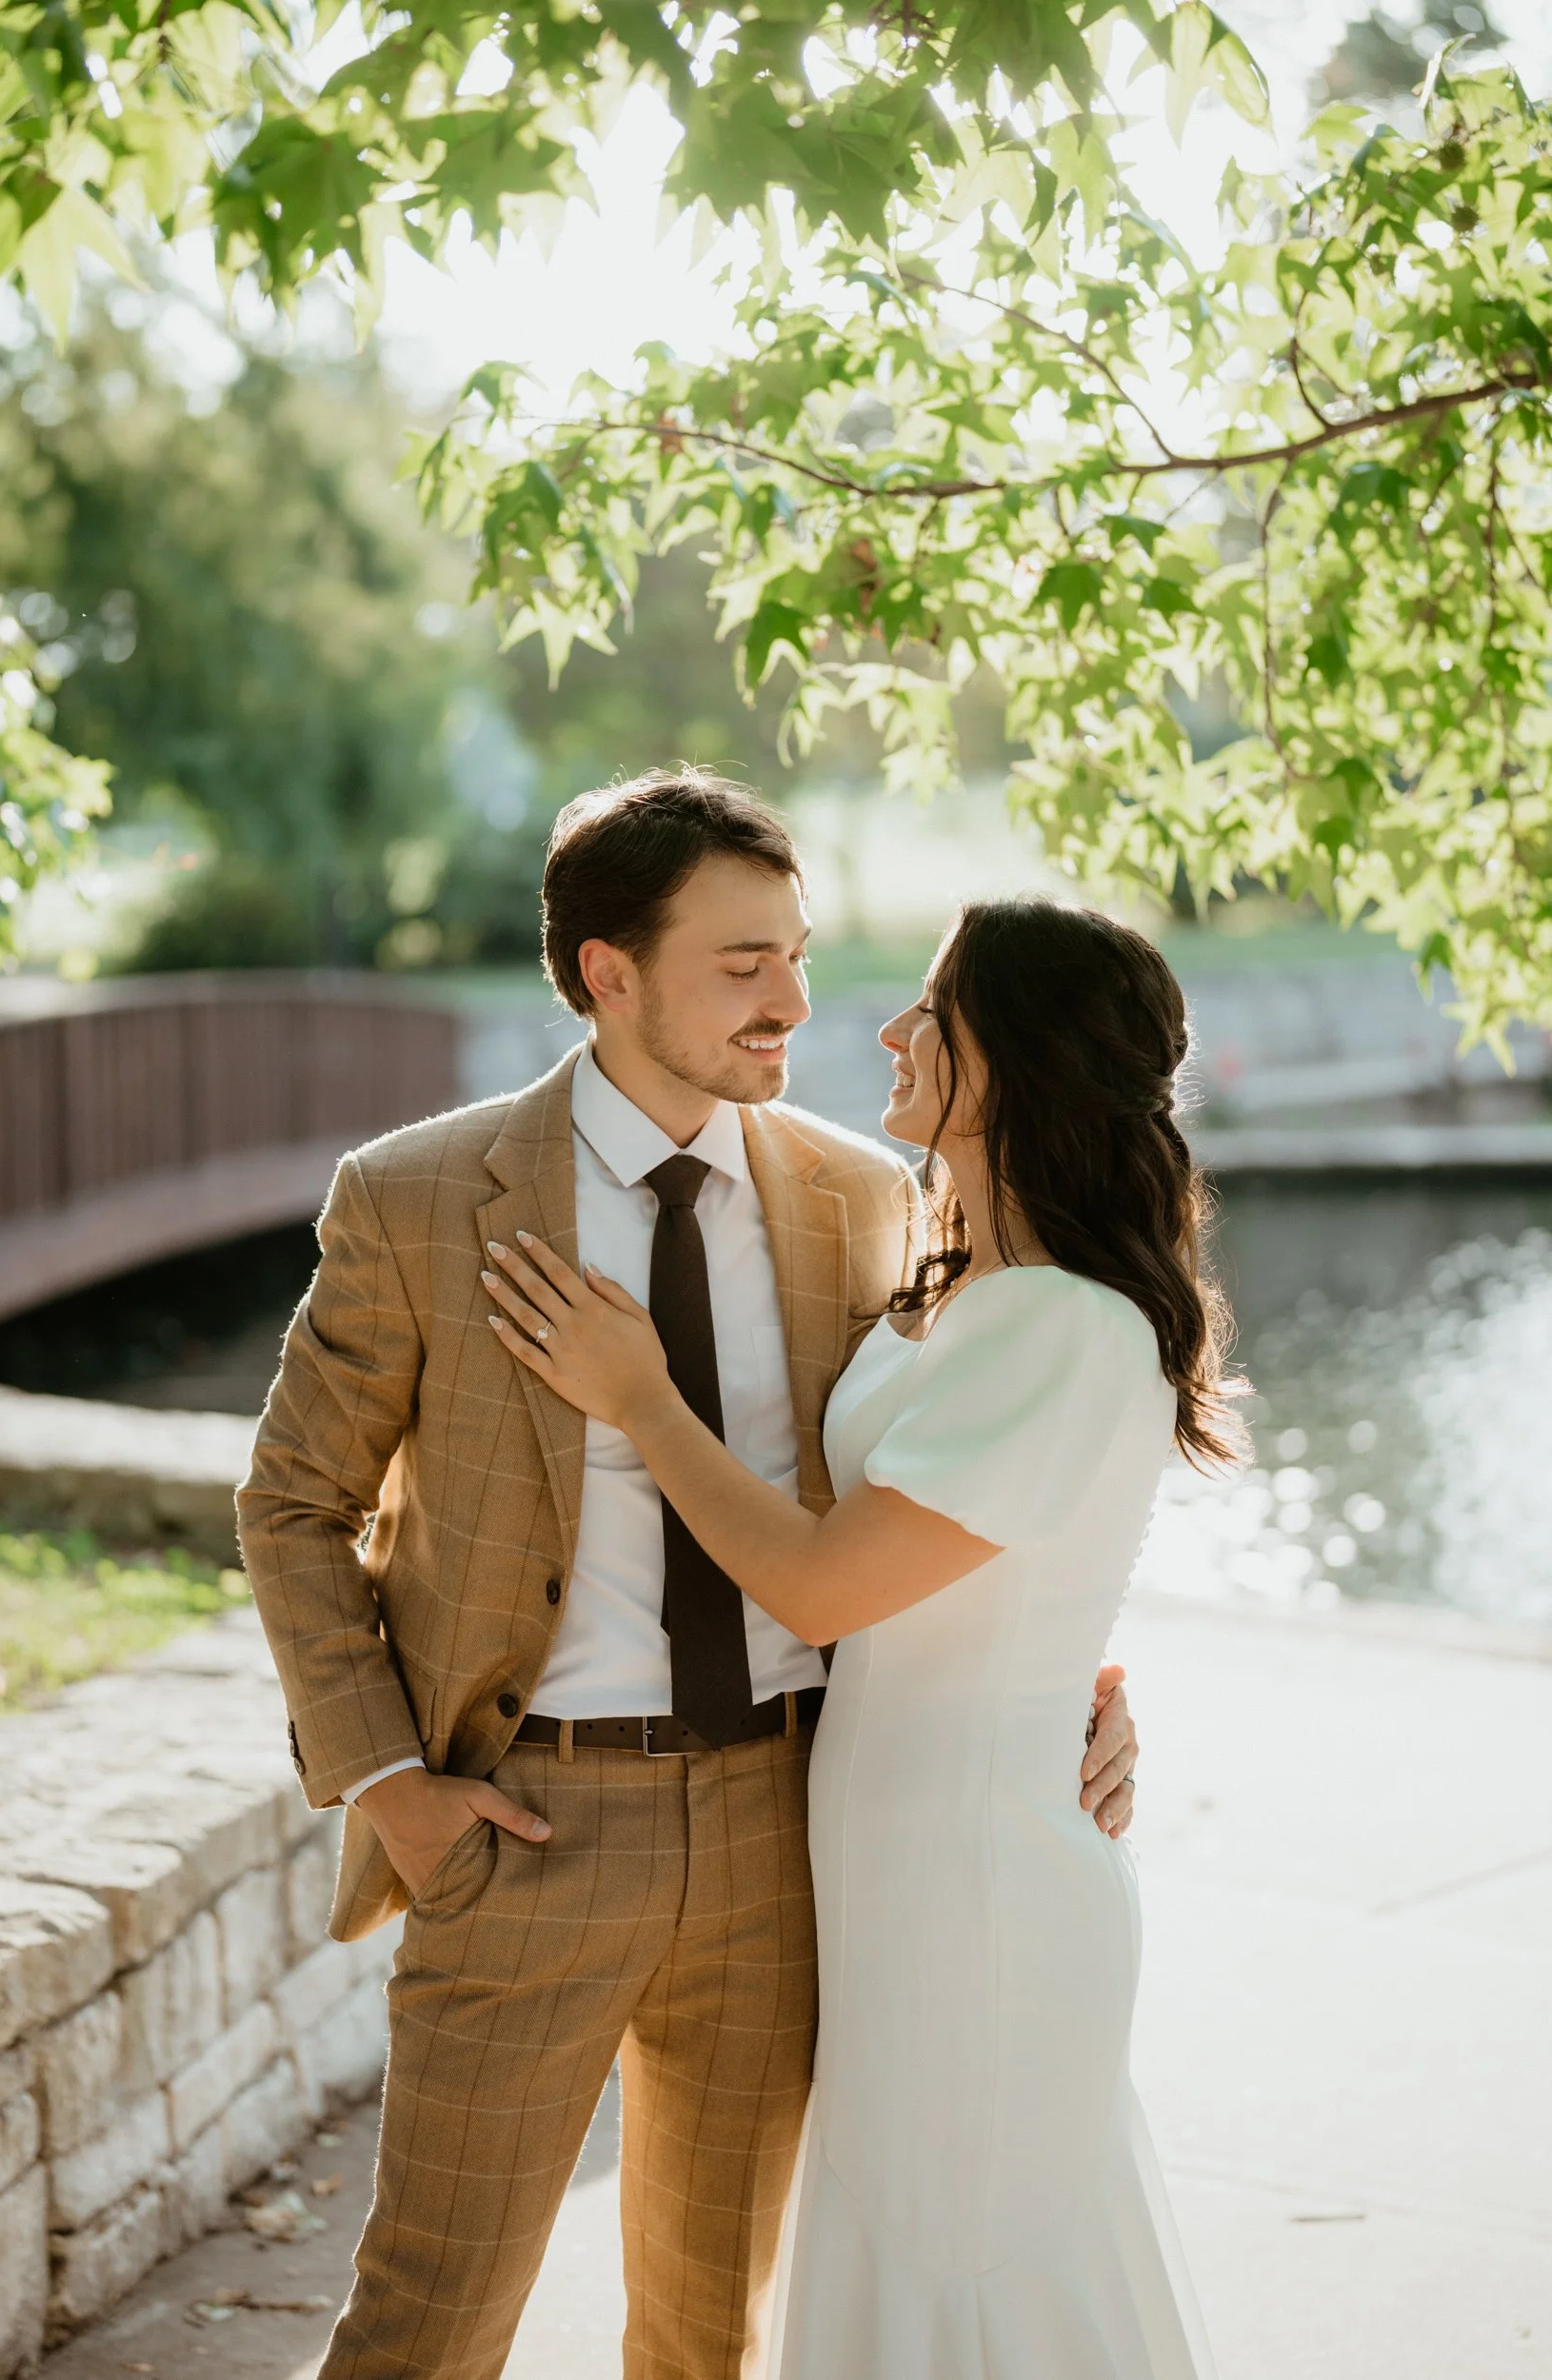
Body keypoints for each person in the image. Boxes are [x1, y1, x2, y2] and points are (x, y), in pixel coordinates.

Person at [237, 772, 1140, 2380]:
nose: (794, 1001)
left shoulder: (858, 1196)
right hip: (522, 1831)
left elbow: (958, 1475)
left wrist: (1066, 1682)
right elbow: (293, 1505)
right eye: (742, 964)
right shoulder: (421, 1198)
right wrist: (389, 1783)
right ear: (607, 971)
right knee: (426, 2323)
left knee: (710, 2332)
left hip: (785, 1838)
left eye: (795, 954)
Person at [483, 893, 1239, 2380]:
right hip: (906, 1874)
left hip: (982, 1895)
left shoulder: (1066, 1325)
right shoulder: (968, 1286)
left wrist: (639, 1398)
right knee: (908, 2254)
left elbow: (824, 1589)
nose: (884, 1031)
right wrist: (1077, 1684)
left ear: (1011, 1066)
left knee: (972, 2275)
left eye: (933, 1018)